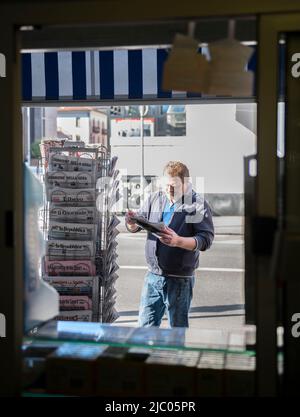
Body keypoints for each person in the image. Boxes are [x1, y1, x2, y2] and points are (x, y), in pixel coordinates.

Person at [125, 161, 214, 328]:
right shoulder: (155, 198)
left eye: (174, 186)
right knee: (145, 329)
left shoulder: (197, 204)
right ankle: (145, 354)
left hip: (180, 279)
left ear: (186, 183)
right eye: (166, 185)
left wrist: (177, 241)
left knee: (177, 331)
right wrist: (131, 222)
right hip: (153, 276)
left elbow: (205, 240)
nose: (169, 190)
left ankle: (177, 355)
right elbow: (135, 227)